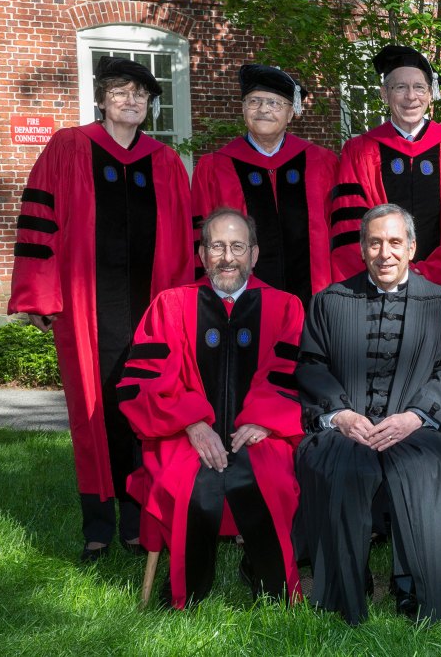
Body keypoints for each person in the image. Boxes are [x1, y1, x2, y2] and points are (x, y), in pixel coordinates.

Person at [8, 56, 194, 561]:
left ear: (150, 106)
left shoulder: (166, 162)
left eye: (140, 95)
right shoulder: (69, 147)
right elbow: (39, 222)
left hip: (152, 311)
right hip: (86, 312)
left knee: (146, 408)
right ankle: (97, 524)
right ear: (103, 99)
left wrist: (182, 309)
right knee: (92, 413)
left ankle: (137, 521)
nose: (131, 101)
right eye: (120, 92)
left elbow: (184, 241)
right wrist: (40, 296)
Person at [117, 208, 305, 609]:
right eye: (216, 246)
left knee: (266, 478)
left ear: (254, 254)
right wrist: (191, 423)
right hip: (183, 434)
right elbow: (142, 383)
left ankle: (270, 588)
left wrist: (263, 420)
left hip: (257, 431)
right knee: (193, 485)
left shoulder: (286, 307)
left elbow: (291, 375)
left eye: (237, 246)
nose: (227, 256)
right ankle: (188, 593)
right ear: (201, 254)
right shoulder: (170, 306)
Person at [294, 204, 441, 625]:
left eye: (394, 242)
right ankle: (346, 586)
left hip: (413, 426)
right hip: (347, 428)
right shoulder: (330, 301)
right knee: (341, 469)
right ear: (362, 248)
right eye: (375, 242)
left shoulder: (440, 303)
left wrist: (416, 416)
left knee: (422, 470)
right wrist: (341, 416)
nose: (384, 253)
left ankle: (414, 588)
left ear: (411, 247)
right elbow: (311, 366)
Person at [328, 44, 441, 292]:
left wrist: (429, 272)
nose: (411, 97)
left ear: (431, 94)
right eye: (400, 87)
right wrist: (391, 272)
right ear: (384, 94)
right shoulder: (359, 151)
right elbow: (350, 228)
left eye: (419, 87)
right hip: (380, 284)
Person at [191, 64, 337, 305]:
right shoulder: (214, 168)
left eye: (275, 103)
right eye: (254, 102)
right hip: (237, 305)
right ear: (243, 109)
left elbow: (339, 234)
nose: (263, 110)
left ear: (291, 113)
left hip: (316, 302)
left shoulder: (322, 164)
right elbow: (201, 239)